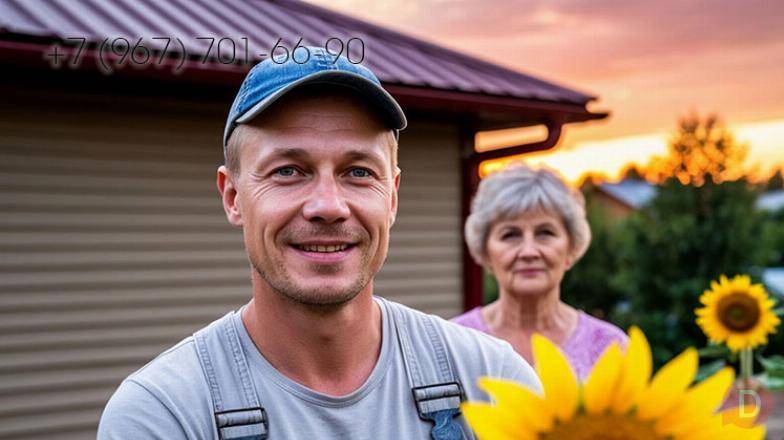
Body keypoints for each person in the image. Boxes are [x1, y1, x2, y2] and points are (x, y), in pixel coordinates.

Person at [97, 47, 540, 440]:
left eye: (359, 172)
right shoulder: (162, 415)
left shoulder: (493, 382)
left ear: (392, 198)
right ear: (232, 197)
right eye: (288, 171)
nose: (328, 206)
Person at [452, 164, 628, 381]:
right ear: (485, 251)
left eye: (545, 233)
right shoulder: (454, 342)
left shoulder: (610, 347)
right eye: (510, 235)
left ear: (571, 247)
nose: (529, 251)